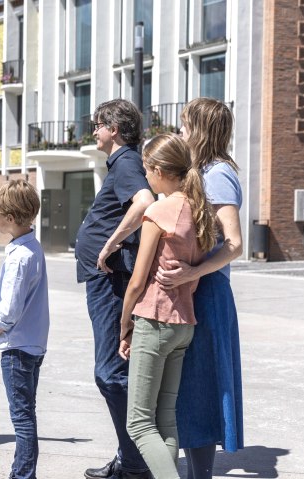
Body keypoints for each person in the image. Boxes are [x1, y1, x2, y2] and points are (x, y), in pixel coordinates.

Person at [155, 98, 244, 478]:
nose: (181, 133)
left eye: (186, 126)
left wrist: (192, 273)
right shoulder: (200, 171)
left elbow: (234, 243)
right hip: (196, 290)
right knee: (188, 389)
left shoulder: (217, 173)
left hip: (207, 295)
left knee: (200, 389)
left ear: (202, 130)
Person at [118, 133, 216, 479]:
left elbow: (136, 281)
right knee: (165, 418)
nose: (145, 175)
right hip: (184, 324)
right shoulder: (199, 210)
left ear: (160, 170)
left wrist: (124, 326)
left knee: (139, 424)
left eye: (147, 169)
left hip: (154, 320)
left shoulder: (159, 211)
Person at [75, 99, 155, 479]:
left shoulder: (126, 162)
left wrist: (108, 244)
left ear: (115, 129)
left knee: (110, 373)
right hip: (102, 280)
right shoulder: (122, 163)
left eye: (98, 124)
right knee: (111, 372)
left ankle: (135, 463)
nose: (94, 131)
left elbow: (144, 202)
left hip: (108, 280)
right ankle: (132, 459)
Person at [0, 179, 49, 479]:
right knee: (27, 413)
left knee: (21, 418)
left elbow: (9, 310)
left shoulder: (19, 258)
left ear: (9, 218)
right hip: (33, 344)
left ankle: (22, 475)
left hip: (17, 347)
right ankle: (24, 473)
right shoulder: (32, 247)